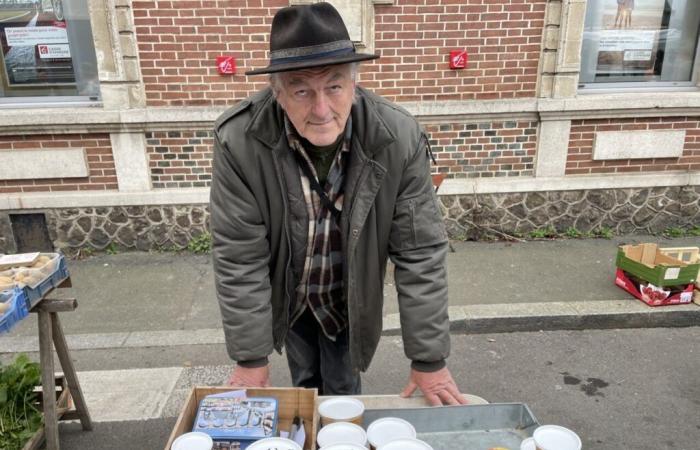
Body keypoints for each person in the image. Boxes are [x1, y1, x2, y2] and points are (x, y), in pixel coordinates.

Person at [210, 2, 466, 406]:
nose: (321, 109)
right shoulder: (239, 142)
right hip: (290, 294)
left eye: (333, 86)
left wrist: (429, 359)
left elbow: (420, 252)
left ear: (353, 84)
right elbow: (239, 257)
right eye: (301, 90)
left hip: (349, 295)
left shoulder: (396, 137)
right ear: (277, 94)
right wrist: (250, 358)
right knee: (305, 382)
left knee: (343, 390)